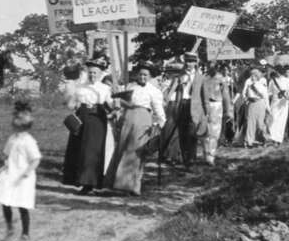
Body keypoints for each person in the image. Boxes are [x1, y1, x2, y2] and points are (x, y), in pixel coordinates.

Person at [107, 63, 166, 195]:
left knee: (135, 151)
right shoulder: (129, 87)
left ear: (150, 76)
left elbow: (158, 108)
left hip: (142, 119)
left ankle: (131, 186)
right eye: (140, 74)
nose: (142, 77)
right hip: (128, 117)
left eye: (145, 75)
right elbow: (116, 100)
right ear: (137, 75)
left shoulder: (154, 91)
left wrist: (161, 123)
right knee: (122, 148)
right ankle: (117, 183)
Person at [0, 100, 42, 241]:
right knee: (5, 202)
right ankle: (9, 228)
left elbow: (36, 159)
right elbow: (7, 156)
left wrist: (26, 173)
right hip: (10, 174)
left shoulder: (29, 141)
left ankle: (25, 233)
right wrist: (0, 170)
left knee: (22, 205)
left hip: (24, 177)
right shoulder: (12, 139)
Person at [62, 58, 115, 194]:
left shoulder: (105, 89)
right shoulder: (80, 87)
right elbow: (71, 104)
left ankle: (91, 183)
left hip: (97, 119)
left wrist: (114, 110)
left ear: (100, 74)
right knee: (79, 149)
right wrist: (70, 101)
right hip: (82, 118)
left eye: (95, 73)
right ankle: (79, 180)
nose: (92, 75)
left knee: (93, 151)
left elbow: (111, 106)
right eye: (90, 73)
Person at [172, 52, 209, 166]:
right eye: (188, 61)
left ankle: (192, 159)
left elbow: (205, 96)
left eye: (192, 61)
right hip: (182, 105)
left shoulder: (201, 77)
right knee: (182, 134)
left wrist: (206, 112)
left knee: (192, 134)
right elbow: (174, 92)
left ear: (196, 63)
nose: (189, 64)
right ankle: (185, 160)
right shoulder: (180, 76)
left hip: (195, 108)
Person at [203, 63, 233, 165]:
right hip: (204, 105)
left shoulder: (221, 79)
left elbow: (225, 94)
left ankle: (211, 156)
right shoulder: (203, 78)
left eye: (214, 66)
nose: (211, 68)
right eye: (209, 66)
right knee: (205, 131)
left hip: (216, 104)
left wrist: (228, 109)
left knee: (215, 131)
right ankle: (206, 154)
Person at [241, 65, 269, 146]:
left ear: (257, 77)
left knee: (260, 124)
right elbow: (244, 93)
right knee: (251, 123)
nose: (252, 77)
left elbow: (265, 97)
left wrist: (268, 108)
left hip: (261, 104)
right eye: (251, 75)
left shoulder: (262, 86)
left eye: (254, 75)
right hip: (252, 105)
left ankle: (264, 139)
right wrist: (246, 100)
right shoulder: (249, 85)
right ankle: (248, 141)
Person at [265, 67, 289, 144]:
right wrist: (271, 95)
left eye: (278, 71)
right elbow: (269, 92)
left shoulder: (287, 81)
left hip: (284, 103)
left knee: (281, 120)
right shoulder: (272, 81)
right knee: (273, 118)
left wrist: (288, 96)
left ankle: (278, 138)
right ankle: (271, 137)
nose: (277, 73)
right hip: (275, 102)